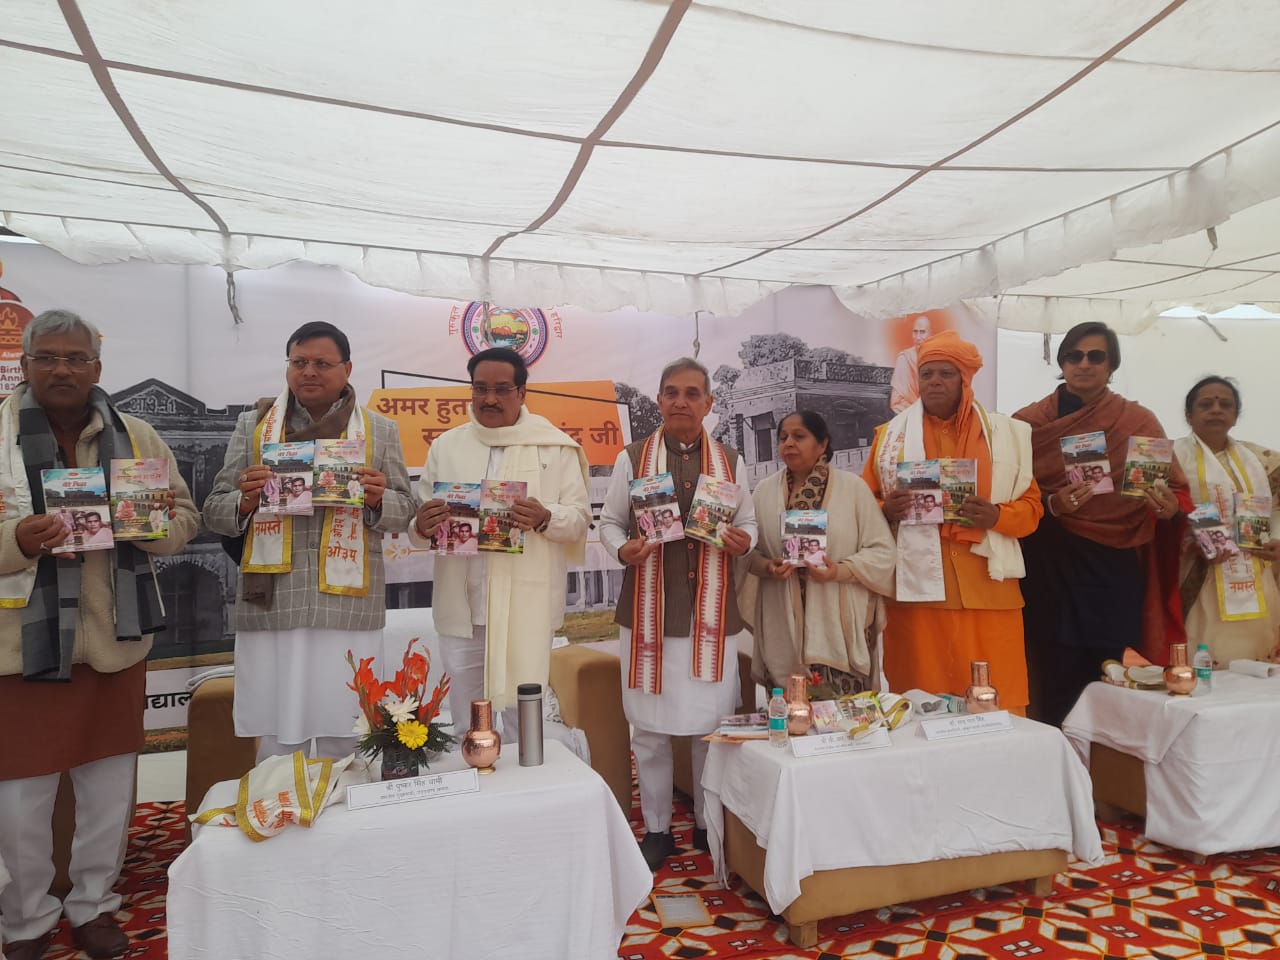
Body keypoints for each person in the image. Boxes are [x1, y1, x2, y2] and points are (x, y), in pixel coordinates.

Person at [0, 310, 197, 960]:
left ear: (96, 368)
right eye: (48, 357)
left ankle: (94, 905)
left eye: (75, 358)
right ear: (25, 364)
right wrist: (16, 539)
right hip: (19, 649)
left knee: (109, 794)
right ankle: (25, 920)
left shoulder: (137, 436)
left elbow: (184, 519)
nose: (62, 369)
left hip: (115, 641)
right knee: (20, 801)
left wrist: (151, 525)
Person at [204, 321, 415, 762]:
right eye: (299, 362)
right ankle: (280, 801)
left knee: (350, 731)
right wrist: (245, 501)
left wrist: (378, 499)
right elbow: (215, 510)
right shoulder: (254, 426)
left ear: (347, 369)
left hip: (348, 604)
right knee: (280, 738)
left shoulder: (379, 430)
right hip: (274, 600)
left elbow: (405, 512)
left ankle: (349, 803)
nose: (309, 372)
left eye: (322, 363)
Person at [599, 357, 757, 870]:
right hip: (648, 616)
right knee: (649, 731)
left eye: (692, 394)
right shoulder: (632, 458)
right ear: (659, 401)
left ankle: (709, 823)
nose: (681, 402)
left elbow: (749, 522)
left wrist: (744, 540)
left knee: (710, 728)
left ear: (708, 404)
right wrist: (624, 550)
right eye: (671, 392)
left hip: (711, 618)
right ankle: (658, 830)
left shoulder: (730, 460)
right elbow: (610, 522)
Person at [1014, 321, 1189, 726]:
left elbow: (1177, 492)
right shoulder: (1027, 424)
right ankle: (1055, 751)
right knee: (1051, 668)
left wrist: (1168, 509)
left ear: (1111, 366)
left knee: (1109, 671)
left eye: (1096, 356)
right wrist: (1052, 503)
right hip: (1050, 562)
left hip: (1112, 566)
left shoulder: (1137, 421)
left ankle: (1106, 757)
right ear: (1062, 363)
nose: (1084, 364)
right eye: (1074, 356)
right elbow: (1009, 493)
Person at [409, 347, 590, 735]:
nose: (489, 398)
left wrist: (545, 517)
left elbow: (579, 521)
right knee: (467, 722)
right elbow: (420, 524)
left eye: (502, 389)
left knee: (524, 722)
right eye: (480, 388)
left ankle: (525, 774)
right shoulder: (446, 446)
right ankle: (476, 772)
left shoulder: (554, 446)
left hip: (526, 606)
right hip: (463, 610)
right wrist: (421, 526)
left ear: (522, 393)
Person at [863, 331, 1043, 715]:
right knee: (921, 704)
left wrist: (998, 516)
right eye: (927, 374)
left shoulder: (1005, 435)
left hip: (988, 588)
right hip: (917, 595)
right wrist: (885, 508)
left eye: (946, 373)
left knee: (997, 704)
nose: (934, 382)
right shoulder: (888, 438)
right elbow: (862, 506)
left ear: (966, 380)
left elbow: (1032, 508)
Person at [741, 411, 895, 696]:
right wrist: (769, 567)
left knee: (843, 717)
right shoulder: (763, 492)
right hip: (782, 621)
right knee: (791, 715)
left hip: (837, 623)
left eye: (799, 436)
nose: (788, 443)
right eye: (783, 437)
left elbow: (883, 552)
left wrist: (838, 571)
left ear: (822, 444)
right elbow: (749, 554)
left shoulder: (853, 488)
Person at [1175, 377, 1280, 665]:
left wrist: (1277, 538)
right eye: (1206, 404)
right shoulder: (1172, 457)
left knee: (1257, 657)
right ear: (1189, 415)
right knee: (1203, 652)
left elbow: (1276, 510)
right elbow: (1152, 512)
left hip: (1254, 571)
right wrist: (1188, 541)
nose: (1216, 409)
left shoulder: (1262, 459)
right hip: (1196, 571)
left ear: (1235, 416)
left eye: (1225, 404)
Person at [890, 314, 933, 413]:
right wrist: (918, 412)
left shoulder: (937, 358)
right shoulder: (904, 358)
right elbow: (896, 402)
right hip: (909, 413)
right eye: (915, 332)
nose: (918, 337)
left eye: (922, 332)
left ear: (930, 334)